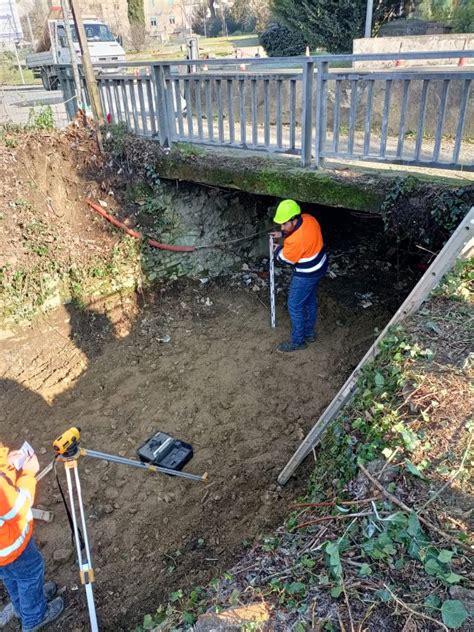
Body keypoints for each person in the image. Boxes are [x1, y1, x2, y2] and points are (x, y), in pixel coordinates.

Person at [0, 442, 64, 632]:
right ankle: (34, 616)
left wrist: (7, 467)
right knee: (30, 574)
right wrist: (28, 475)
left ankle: (23, 607)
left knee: (12, 577)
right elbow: (17, 508)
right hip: (10, 545)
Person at [271, 199, 328, 353]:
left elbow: (285, 259)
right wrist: (283, 233)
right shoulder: (309, 219)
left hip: (306, 274)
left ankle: (298, 341)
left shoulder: (295, 241)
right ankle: (309, 334)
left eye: (284, 224)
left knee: (294, 305)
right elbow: (296, 231)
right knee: (309, 299)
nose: (282, 227)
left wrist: (276, 250)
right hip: (320, 265)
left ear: (294, 220)